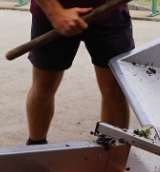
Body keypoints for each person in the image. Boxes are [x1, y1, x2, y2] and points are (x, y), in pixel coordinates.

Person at [26, 0, 134, 145]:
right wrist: (55, 13)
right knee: (44, 87)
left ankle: (112, 153)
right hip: (51, 15)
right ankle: (36, 148)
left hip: (109, 12)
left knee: (115, 90)